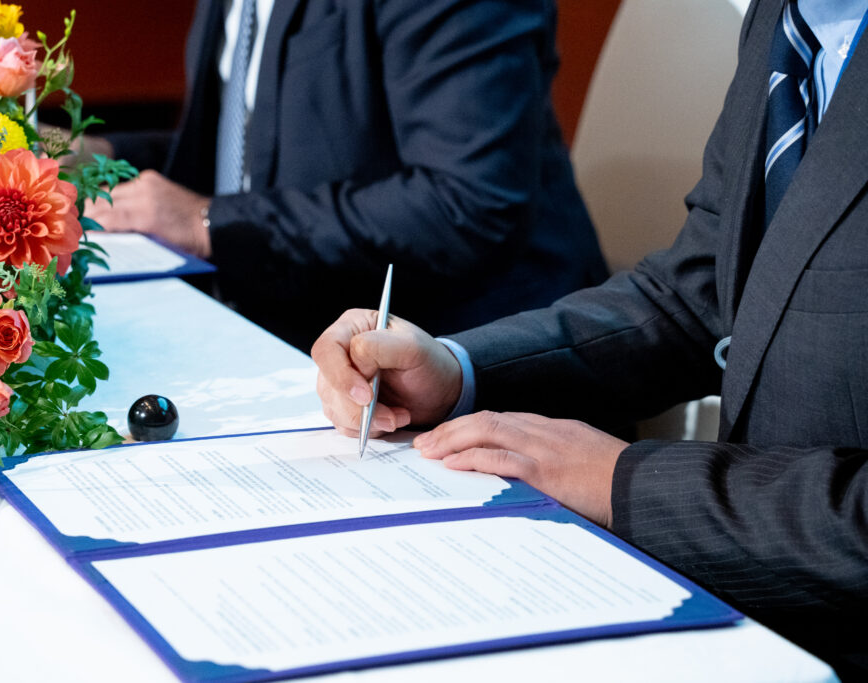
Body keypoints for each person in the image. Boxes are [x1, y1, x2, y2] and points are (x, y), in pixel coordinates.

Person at [311, 0, 868, 677]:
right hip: (744, 608)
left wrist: (626, 481)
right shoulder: (789, 19)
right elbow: (698, 298)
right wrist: (458, 372)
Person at [82, 0, 607, 350]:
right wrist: (101, 157)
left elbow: (465, 204)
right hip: (292, 329)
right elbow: (259, 150)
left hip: (470, 358)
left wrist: (207, 221)